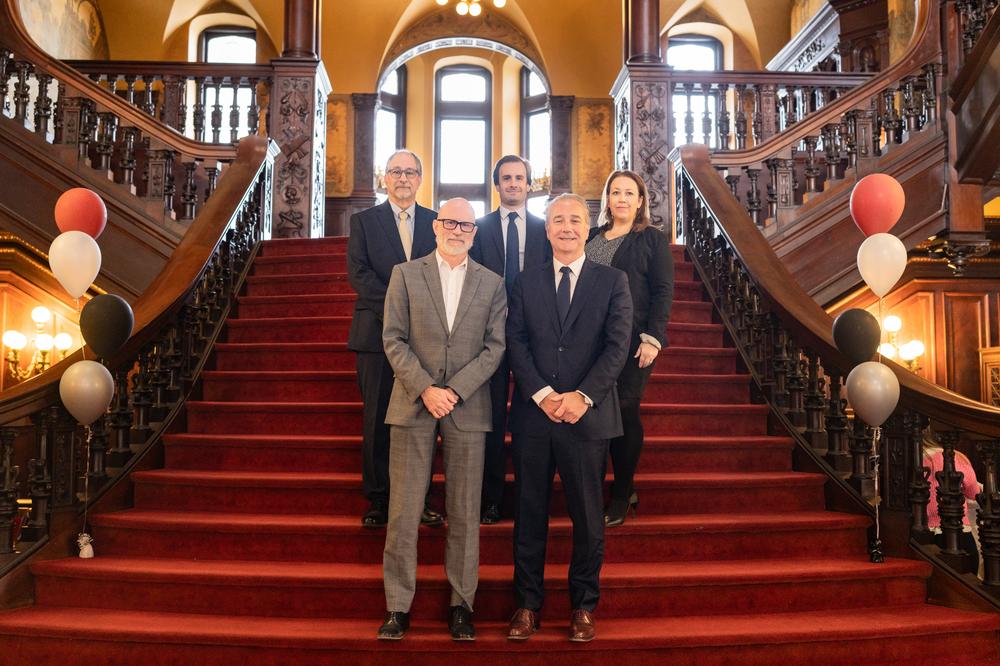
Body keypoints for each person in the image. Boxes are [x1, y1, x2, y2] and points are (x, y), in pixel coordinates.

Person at [377, 198, 507, 641]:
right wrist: (426, 388)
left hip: (467, 406)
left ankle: (461, 605)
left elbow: (495, 348)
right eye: (450, 222)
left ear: (475, 232)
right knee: (404, 510)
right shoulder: (405, 274)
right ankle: (398, 606)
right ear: (435, 227)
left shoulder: (492, 283)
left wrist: (453, 391)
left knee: (465, 512)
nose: (457, 230)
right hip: (414, 401)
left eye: (466, 225)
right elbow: (392, 339)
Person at [505, 193, 632, 643]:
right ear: (547, 227)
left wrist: (581, 397)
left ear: (587, 226)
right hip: (534, 417)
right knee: (529, 513)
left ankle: (583, 606)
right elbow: (515, 342)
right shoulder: (524, 282)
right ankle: (527, 605)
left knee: (587, 517)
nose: (565, 227)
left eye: (574, 220)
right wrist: (541, 394)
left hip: (588, 417)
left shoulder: (613, 281)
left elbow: (617, 348)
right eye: (557, 219)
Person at [347, 149, 443, 528]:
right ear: (384, 179)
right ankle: (380, 499)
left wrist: (418, 316)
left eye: (409, 172)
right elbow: (359, 274)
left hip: (426, 339)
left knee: (421, 423)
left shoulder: (438, 223)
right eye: (395, 172)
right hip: (374, 335)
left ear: (420, 179)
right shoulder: (364, 222)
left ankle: (419, 499)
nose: (402, 178)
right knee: (378, 420)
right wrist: (399, 309)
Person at [585, 170, 673, 527]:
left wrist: (654, 337)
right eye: (615, 192)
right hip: (590, 340)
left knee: (625, 409)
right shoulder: (590, 237)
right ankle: (606, 487)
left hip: (634, 339)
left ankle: (622, 492)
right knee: (596, 412)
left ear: (640, 202)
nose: (621, 199)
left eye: (628, 193)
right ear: (607, 199)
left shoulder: (652, 239)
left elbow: (664, 290)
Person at [470, 155, 551, 525]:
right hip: (487, 336)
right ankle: (491, 498)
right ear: (496, 184)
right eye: (507, 178)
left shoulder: (546, 229)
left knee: (528, 421)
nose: (514, 183)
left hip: (534, 337)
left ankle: (527, 498)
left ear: (530, 184)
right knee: (490, 421)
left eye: (520, 178)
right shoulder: (478, 227)